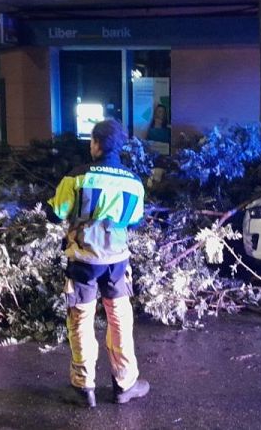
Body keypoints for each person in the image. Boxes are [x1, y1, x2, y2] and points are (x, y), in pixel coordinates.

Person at [47, 120, 149, 408]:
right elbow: (135, 220)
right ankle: (125, 384)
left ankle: (84, 387)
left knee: (80, 319)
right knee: (119, 320)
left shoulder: (76, 178)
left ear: (97, 144)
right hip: (116, 262)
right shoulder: (133, 182)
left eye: (92, 141)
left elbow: (55, 214)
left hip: (83, 262)